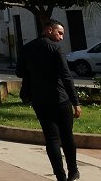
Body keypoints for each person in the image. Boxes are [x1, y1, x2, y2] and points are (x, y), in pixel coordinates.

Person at [16, 19, 81, 181]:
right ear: (49, 30)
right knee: (67, 136)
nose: (61, 37)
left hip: (39, 99)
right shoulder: (55, 49)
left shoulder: (27, 48)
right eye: (59, 33)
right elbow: (67, 77)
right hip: (60, 99)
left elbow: (19, 72)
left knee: (51, 138)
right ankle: (73, 171)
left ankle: (60, 176)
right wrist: (76, 102)